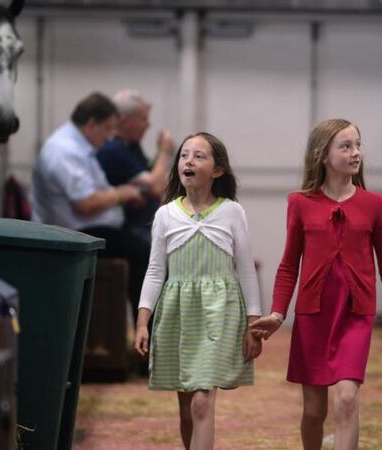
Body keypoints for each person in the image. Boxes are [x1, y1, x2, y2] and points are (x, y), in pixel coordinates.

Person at [250, 118, 382, 450]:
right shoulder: (299, 203)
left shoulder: (375, 204)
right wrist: (278, 314)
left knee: (347, 399)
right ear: (323, 155)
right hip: (313, 316)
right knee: (314, 411)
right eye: (346, 146)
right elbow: (288, 265)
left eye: (358, 145)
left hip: (356, 315)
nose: (356, 153)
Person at [134, 132, 263, 450]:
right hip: (178, 314)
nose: (188, 161)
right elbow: (155, 271)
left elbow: (246, 269)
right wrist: (141, 321)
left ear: (218, 170)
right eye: (183, 155)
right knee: (187, 408)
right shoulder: (165, 214)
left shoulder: (232, 212)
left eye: (199, 156)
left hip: (219, 313)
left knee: (202, 402)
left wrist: (253, 323)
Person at [31, 92, 148, 316]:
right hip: (73, 233)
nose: (111, 136)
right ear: (92, 124)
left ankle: (137, 330)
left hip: (89, 227)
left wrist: (122, 194)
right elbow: (85, 203)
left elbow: (97, 191)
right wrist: (122, 193)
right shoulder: (65, 151)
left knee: (145, 242)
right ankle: (145, 333)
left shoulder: (79, 146)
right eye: (108, 128)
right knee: (144, 253)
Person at [97, 89, 175, 243]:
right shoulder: (113, 150)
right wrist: (164, 151)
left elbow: (153, 176)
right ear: (126, 120)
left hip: (145, 224)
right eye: (143, 119)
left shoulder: (131, 145)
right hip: (130, 229)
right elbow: (155, 187)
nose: (148, 125)